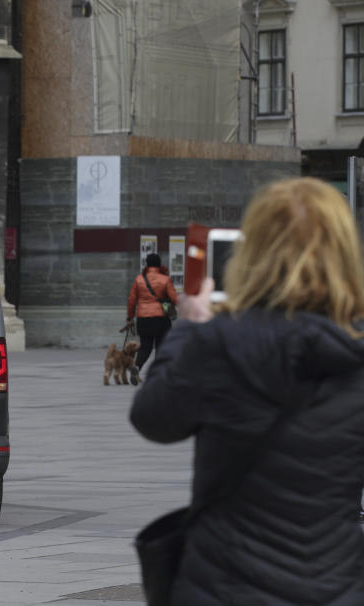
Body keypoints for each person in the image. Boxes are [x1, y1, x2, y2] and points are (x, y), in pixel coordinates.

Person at [130, 177, 364, 605]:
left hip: (221, 585)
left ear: (251, 251)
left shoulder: (219, 342)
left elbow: (153, 418)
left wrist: (189, 330)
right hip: (336, 585)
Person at [126, 253, 178, 384]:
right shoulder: (165, 279)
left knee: (145, 347)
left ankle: (137, 366)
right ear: (159, 264)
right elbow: (174, 298)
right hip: (161, 319)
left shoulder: (139, 279)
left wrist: (129, 317)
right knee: (161, 347)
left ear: (147, 264)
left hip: (143, 319)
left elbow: (132, 300)